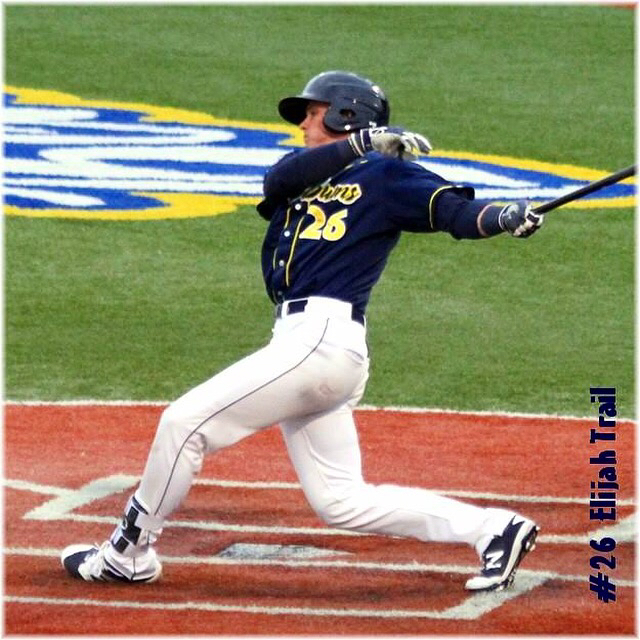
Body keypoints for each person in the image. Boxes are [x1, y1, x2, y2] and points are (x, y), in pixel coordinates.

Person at [61, 70, 543, 592]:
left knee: (184, 423)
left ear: (345, 114)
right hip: (304, 345)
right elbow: (277, 182)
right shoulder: (304, 175)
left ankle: (127, 553)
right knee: (341, 501)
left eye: (313, 113)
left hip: (322, 340)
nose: (303, 123)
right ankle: (493, 529)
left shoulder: (386, 175)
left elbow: (454, 211)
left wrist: (503, 215)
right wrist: (360, 144)